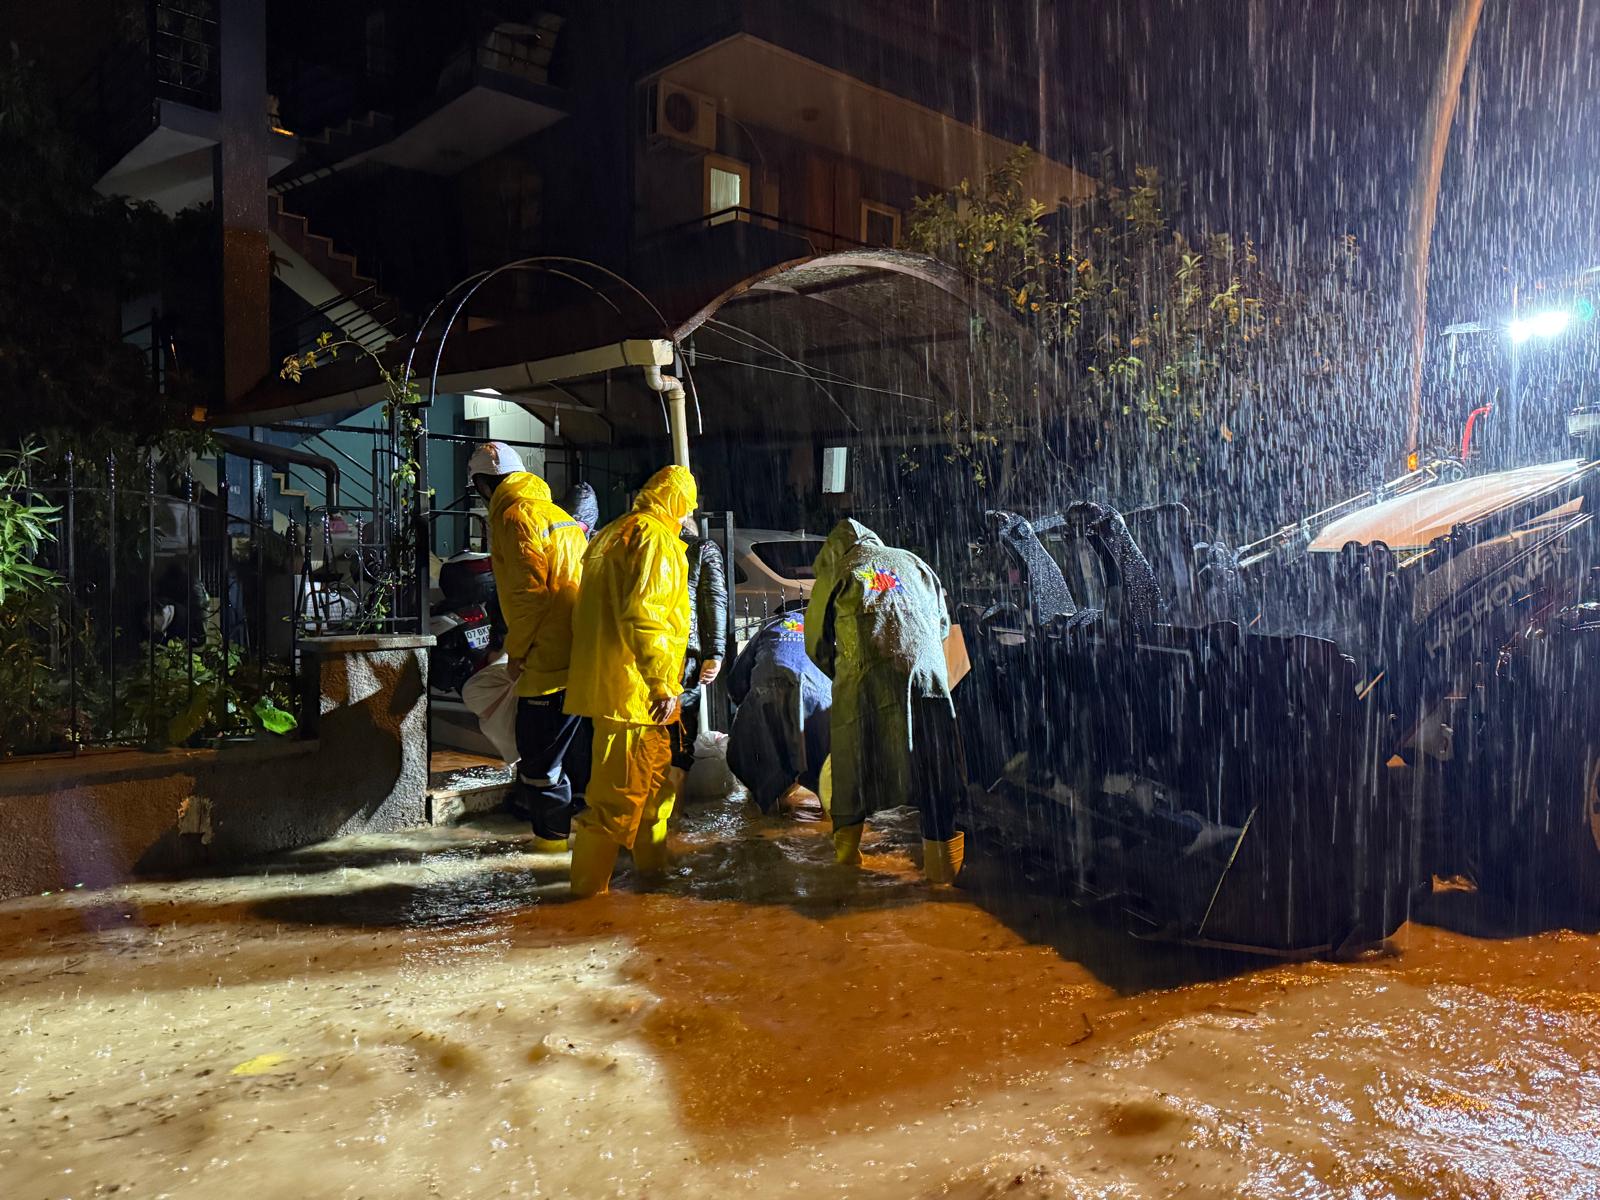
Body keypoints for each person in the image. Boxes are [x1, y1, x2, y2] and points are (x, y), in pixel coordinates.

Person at [805, 518, 966, 883]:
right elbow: (942, 627)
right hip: (929, 682)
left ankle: (846, 878)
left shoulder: (839, 570)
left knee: (852, 768)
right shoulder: (915, 562)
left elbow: (815, 644)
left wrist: (847, 676)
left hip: (864, 682)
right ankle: (943, 880)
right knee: (934, 772)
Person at [564, 464, 698, 897]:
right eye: (686, 511)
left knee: (653, 792)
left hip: (613, 686)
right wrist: (660, 682)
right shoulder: (655, 539)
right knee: (615, 802)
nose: (685, 520)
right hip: (635, 693)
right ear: (678, 504)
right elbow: (647, 614)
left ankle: (653, 879)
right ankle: (585, 902)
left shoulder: (610, 534)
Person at [469, 441, 588, 851]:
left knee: (539, 763)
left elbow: (529, 595)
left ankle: (550, 855)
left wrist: (515, 653)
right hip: (579, 654)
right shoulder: (558, 515)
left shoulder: (514, 516)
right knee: (566, 757)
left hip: (545, 659)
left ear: (484, 485)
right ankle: (573, 847)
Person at [727, 601, 831, 814]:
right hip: (817, 698)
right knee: (823, 766)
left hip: (767, 696)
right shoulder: (819, 631)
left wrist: (745, 707)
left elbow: (736, 680)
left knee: (765, 759)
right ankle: (829, 826)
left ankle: (768, 817)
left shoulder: (767, 630)